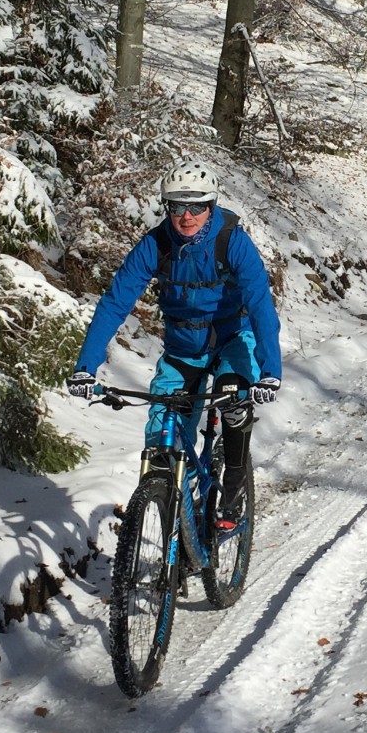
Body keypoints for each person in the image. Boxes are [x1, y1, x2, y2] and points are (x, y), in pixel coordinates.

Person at [67, 159, 281, 529]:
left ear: (211, 206)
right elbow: (115, 303)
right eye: (178, 206)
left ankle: (233, 486)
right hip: (183, 350)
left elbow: (261, 304)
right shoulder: (155, 245)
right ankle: (178, 513)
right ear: (167, 207)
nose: (187, 216)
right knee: (161, 440)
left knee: (233, 403)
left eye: (197, 207)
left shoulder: (232, 242)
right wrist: (85, 367)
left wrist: (270, 372)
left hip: (232, 339)